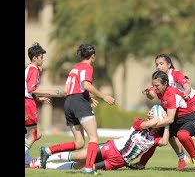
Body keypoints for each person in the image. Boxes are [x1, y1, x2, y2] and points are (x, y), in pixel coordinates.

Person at [39, 44, 116, 174]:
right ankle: (89, 168)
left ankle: (48, 151)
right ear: (93, 56)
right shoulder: (88, 67)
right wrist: (104, 96)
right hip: (79, 102)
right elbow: (86, 85)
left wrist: (88, 97)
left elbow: (67, 89)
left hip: (69, 102)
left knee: (80, 142)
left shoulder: (74, 68)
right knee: (93, 138)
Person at [130, 54, 195, 171]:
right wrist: (148, 94)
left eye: (161, 64)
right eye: (157, 64)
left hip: (191, 101)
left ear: (169, 65)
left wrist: (185, 92)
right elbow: (152, 95)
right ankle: (182, 158)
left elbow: (187, 85)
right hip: (174, 108)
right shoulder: (158, 81)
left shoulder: (175, 74)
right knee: (163, 133)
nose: (158, 66)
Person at [30, 112, 169, 173]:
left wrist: (168, 123)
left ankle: (49, 166)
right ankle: (43, 158)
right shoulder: (139, 124)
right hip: (112, 148)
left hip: (118, 162)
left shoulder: (155, 139)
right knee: (80, 156)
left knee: (81, 166)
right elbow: (150, 123)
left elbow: (164, 141)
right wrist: (161, 117)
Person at [25, 42, 60, 160]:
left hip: (28, 101)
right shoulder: (33, 70)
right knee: (35, 134)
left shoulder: (29, 68)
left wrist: (38, 98)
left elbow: (28, 89)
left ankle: (26, 160)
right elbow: (31, 88)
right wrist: (50, 92)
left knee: (31, 134)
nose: (43, 60)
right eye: (41, 57)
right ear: (35, 58)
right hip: (27, 104)